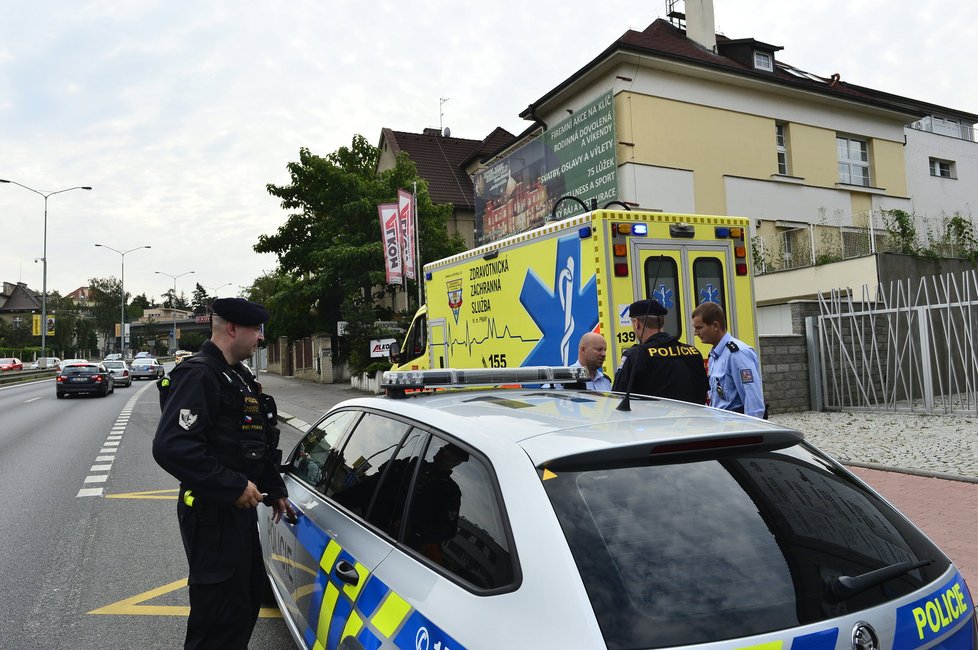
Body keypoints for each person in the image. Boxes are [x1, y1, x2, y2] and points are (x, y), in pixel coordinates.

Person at [153, 297, 295, 650]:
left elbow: (251, 441)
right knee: (217, 622)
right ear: (232, 328)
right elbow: (172, 446)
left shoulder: (236, 377)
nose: (261, 338)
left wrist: (273, 486)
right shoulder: (199, 375)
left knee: (242, 606)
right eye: (256, 330)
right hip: (212, 517)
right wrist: (232, 486)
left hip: (237, 514)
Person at [611, 299, 708, 404]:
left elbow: (619, 398)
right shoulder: (693, 353)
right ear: (662, 322)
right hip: (691, 419)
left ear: (636, 323)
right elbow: (703, 394)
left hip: (653, 420)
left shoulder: (635, 356)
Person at [691, 301, 766, 418]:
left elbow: (753, 402)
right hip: (722, 427)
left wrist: (751, 433)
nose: (696, 333)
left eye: (699, 328)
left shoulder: (737, 354)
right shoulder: (714, 356)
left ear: (716, 326)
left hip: (736, 428)